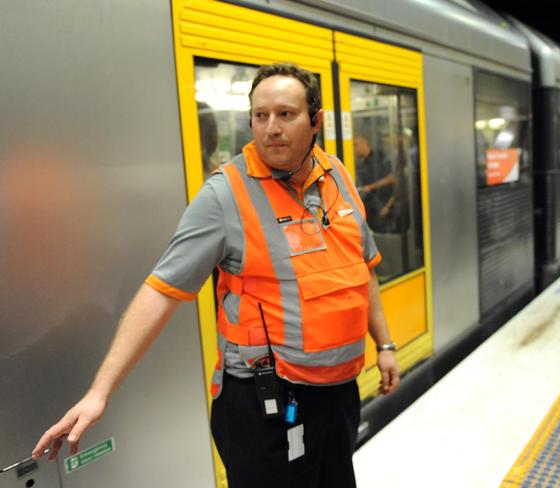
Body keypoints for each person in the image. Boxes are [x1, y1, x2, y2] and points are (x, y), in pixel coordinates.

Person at [32, 62, 400, 488]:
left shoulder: (335, 175)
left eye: (286, 114)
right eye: (260, 116)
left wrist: (385, 344)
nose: (271, 128)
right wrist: (101, 391)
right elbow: (162, 290)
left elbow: (363, 268)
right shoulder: (225, 195)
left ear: (315, 121)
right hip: (265, 404)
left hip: (338, 394)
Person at [353, 133, 398, 233]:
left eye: (356, 145)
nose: (354, 149)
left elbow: (392, 179)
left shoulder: (380, 159)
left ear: (364, 144)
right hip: (369, 210)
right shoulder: (361, 164)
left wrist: (371, 187)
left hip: (383, 208)